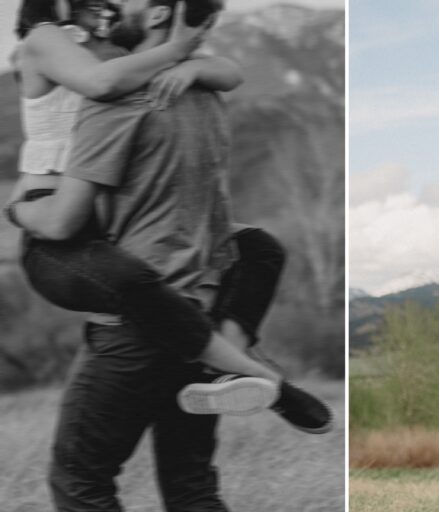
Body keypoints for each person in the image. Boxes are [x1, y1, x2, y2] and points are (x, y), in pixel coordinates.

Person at [5, 1, 325, 509]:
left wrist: (187, 53)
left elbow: (109, 89)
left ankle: (237, 364)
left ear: (155, 16)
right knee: (191, 485)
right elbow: (104, 83)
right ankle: (234, 358)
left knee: (80, 483)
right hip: (161, 276)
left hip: (128, 303)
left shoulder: (129, 87)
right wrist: (188, 51)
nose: (109, 10)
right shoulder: (64, 47)